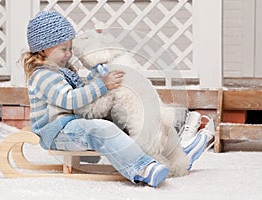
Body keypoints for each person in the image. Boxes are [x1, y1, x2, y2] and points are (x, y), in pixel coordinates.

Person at [21, 10, 169, 188]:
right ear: (43, 49)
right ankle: (142, 168)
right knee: (101, 129)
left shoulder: (62, 71)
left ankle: (158, 152)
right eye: (63, 49)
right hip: (55, 132)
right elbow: (69, 99)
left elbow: (80, 91)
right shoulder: (44, 74)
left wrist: (94, 78)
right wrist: (101, 86)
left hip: (69, 125)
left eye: (70, 48)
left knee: (112, 121)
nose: (69, 54)